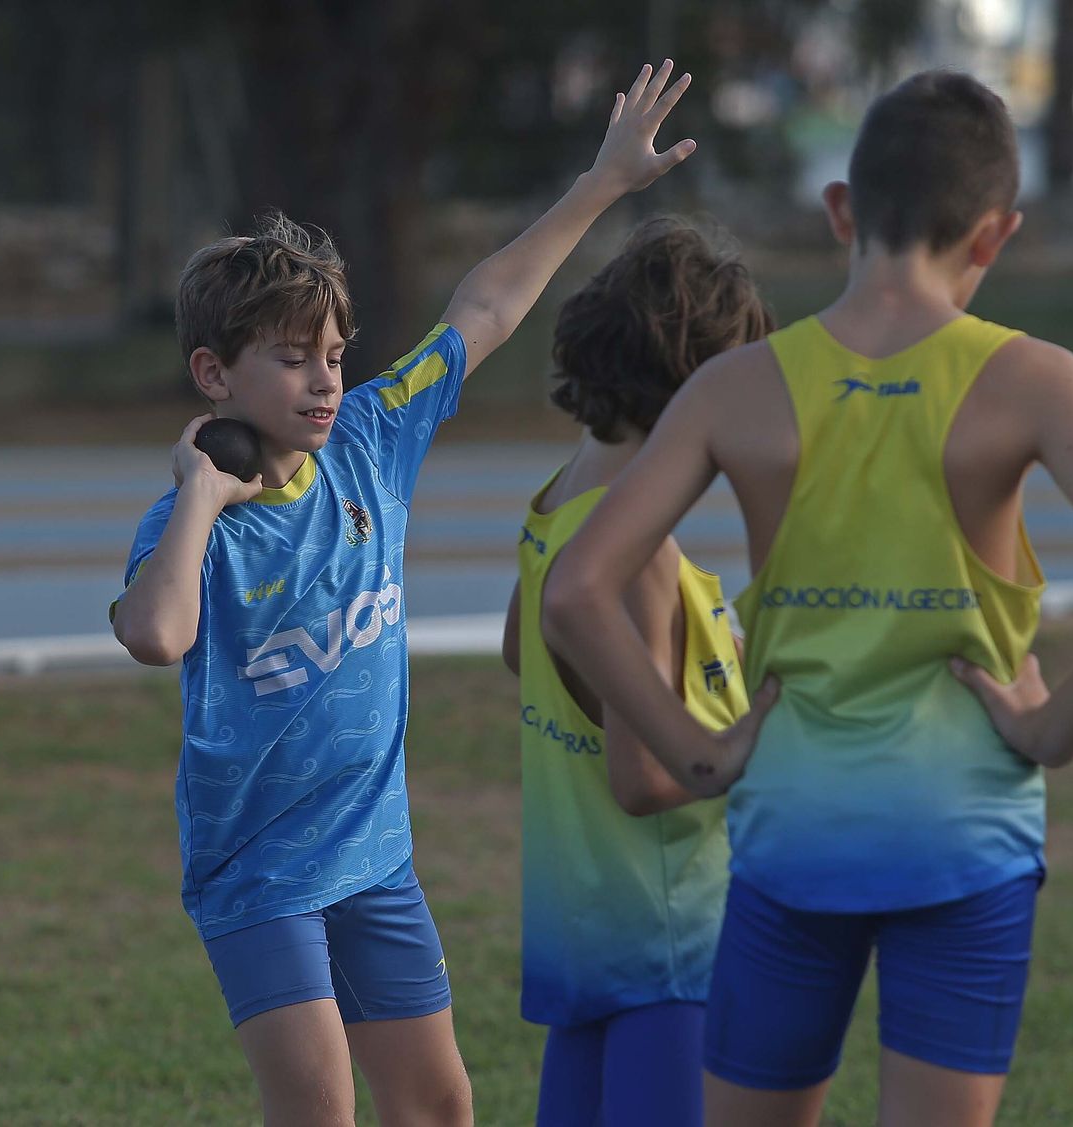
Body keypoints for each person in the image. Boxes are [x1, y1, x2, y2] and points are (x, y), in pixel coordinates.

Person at [541, 69, 1073, 1127]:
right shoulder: (1037, 379)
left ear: (841, 208)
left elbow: (577, 588)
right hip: (964, 834)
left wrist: (694, 751)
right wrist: (1052, 729)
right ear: (994, 235)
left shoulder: (735, 386)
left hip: (794, 828)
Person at [109, 60, 697, 1127]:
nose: (326, 379)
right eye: (293, 360)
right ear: (213, 376)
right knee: (319, 1109)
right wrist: (199, 493)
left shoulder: (373, 440)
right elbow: (157, 633)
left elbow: (487, 303)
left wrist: (604, 183)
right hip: (260, 876)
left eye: (335, 354)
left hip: (375, 859)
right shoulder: (197, 525)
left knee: (438, 1105)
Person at [499, 215, 773, 1126]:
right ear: (694, 391)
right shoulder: (640, 557)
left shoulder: (560, 500)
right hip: (672, 944)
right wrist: (765, 731)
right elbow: (645, 777)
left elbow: (523, 651)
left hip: (584, 929)